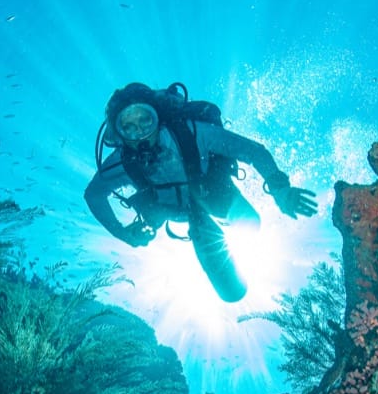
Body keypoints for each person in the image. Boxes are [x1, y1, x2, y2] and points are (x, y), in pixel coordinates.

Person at [84, 81, 317, 302]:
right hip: (169, 209)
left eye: (146, 120)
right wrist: (122, 233)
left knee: (251, 223)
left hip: (213, 194)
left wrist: (281, 189)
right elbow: (93, 194)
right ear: (119, 134)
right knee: (232, 292)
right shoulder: (122, 163)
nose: (141, 133)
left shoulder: (193, 133)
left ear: (158, 118)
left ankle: (204, 225)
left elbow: (252, 151)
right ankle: (201, 229)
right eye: (129, 127)